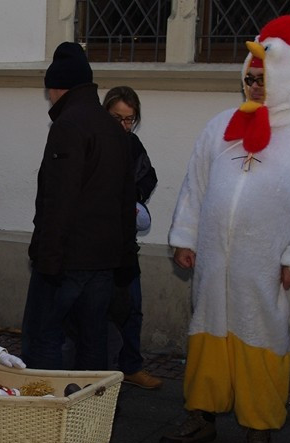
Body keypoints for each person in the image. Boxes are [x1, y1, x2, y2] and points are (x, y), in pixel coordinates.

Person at [162, 16, 290, 443]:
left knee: (263, 341)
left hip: (265, 268)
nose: (254, 85)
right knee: (207, 335)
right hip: (215, 266)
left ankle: (259, 427)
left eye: (263, 78)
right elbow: (195, 186)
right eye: (249, 77)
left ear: (285, 76)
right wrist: (185, 236)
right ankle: (201, 415)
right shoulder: (221, 126)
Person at [21, 42, 136, 372]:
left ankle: (43, 413)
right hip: (104, 260)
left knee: (43, 338)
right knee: (92, 341)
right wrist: (126, 257)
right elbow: (126, 198)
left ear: (57, 87)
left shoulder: (68, 125)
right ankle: (89, 418)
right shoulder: (111, 128)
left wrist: (47, 259)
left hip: (67, 261)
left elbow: (59, 199)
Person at [102, 85, 163, 391]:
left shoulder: (132, 144)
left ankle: (131, 366)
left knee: (133, 306)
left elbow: (148, 177)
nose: (124, 126)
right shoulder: (94, 142)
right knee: (102, 309)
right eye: (118, 118)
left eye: (130, 120)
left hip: (126, 243)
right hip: (98, 244)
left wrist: (134, 197)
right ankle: (105, 372)